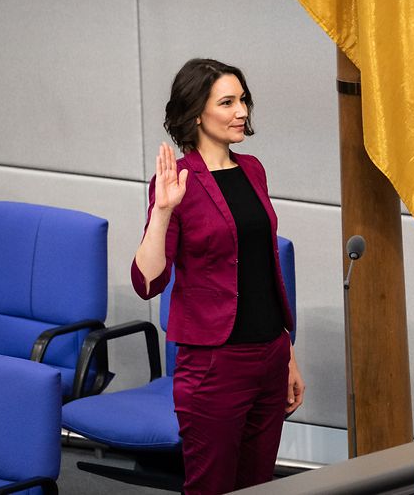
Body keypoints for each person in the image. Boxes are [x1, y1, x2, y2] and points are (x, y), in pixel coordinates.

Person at [130, 58, 305, 494]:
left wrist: (287, 354)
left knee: (258, 486)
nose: (241, 111)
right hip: (214, 364)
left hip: (269, 355)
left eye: (242, 99)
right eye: (227, 102)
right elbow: (147, 282)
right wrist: (163, 211)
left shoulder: (253, 170)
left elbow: (264, 270)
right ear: (195, 114)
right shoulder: (175, 183)